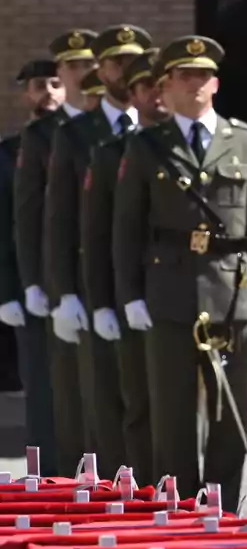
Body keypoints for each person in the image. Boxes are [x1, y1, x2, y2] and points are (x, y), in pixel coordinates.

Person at [113, 35, 247, 509]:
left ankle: (222, 506)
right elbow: (127, 227)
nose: (195, 86)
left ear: (217, 83)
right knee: (172, 411)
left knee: (229, 413)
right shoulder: (147, 146)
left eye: (203, 77)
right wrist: (130, 295)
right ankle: (180, 506)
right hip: (168, 292)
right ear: (165, 87)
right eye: (185, 78)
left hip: (230, 290)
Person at [47, 24, 151, 474]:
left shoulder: (159, 127)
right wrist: (62, 291)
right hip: (96, 280)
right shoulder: (74, 134)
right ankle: (112, 488)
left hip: (153, 277)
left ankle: (159, 488)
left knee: (156, 396)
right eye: (115, 62)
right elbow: (59, 218)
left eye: (133, 61)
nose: (124, 71)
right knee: (106, 397)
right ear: (101, 69)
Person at [15, 30, 96, 477]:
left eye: (87, 66)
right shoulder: (41, 136)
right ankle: (57, 478)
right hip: (56, 277)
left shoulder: (114, 125)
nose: (80, 75)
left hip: (108, 276)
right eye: (72, 67)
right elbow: (26, 219)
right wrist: (25, 283)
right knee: (55, 389)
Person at [80, 49, 164, 482]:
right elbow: (96, 236)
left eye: (160, 84)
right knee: (137, 403)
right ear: (132, 93)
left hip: (179, 289)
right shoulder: (113, 154)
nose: (157, 95)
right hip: (129, 290)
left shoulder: (186, 147)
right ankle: (142, 490)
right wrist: (101, 302)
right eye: (146, 86)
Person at [0, 60, 63, 468]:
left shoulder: (90, 146)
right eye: (40, 85)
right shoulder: (8, 154)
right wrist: (7, 292)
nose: (49, 94)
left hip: (81, 285)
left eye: (57, 84)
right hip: (30, 286)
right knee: (41, 390)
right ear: (27, 93)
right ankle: (46, 479)